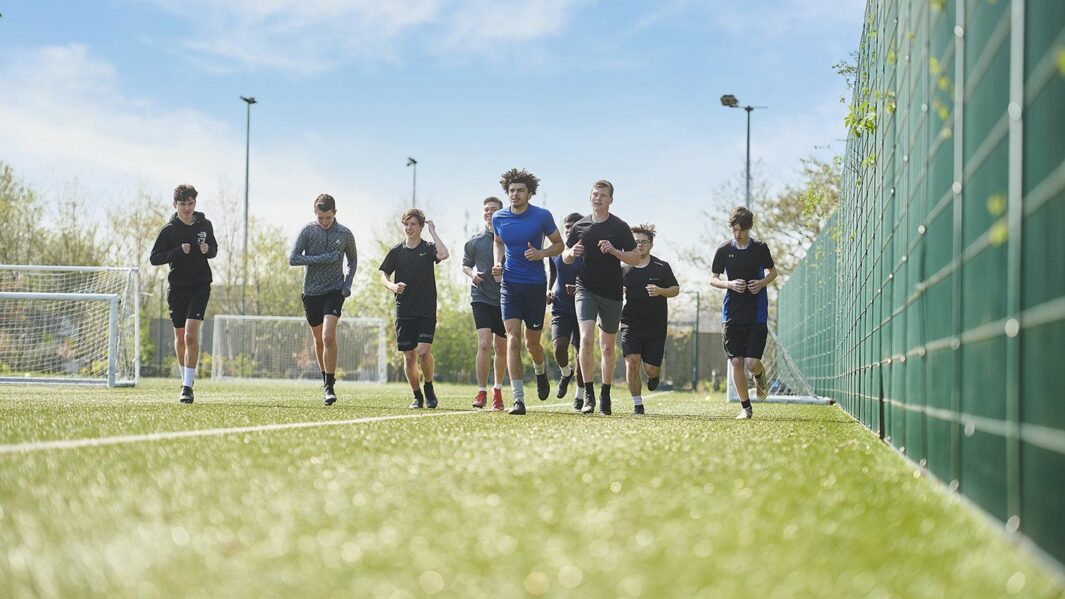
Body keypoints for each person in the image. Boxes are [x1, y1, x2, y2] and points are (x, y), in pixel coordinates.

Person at [562, 180, 640, 416]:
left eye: (603, 195)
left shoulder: (619, 227)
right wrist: (571, 253)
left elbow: (635, 258)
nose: (598, 198)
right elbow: (565, 256)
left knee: (607, 348)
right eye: (595, 195)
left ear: (611, 200)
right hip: (585, 288)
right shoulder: (580, 225)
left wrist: (615, 251)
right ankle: (589, 394)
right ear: (590, 197)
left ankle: (605, 395)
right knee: (585, 339)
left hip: (612, 292)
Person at [491, 168, 564, 415]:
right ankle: (518, 399)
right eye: (511, 191)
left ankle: (541, 371)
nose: (515, 195)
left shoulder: (542, 216)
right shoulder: (499, 218)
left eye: (520, 191)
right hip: (510, 285)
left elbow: (559, 244)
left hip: (534, 285)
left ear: (530, 193)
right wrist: (498, 263)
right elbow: (498, 242)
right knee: (512, 338)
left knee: (532, 343)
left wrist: (541, 254)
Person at [149, 184, 218, 404]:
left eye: (190, 203)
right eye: (182, 204)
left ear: (195, 204)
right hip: (177, 289)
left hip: (200, 285)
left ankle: (187, 387)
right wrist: (177, 252)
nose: (187, 208)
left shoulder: (205, 224)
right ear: (175, 205)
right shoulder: (169, 230)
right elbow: (155, 258)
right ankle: (185, 380)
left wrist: (209, 250)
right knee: (179, 338)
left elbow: (214, 249)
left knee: (190, 334)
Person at [288, 193, 358, 406]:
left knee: (328, 336)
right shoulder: (308, 231)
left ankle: (329, 385)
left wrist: (347, 284)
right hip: (311, 292)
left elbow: (352, 260)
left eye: (328, 217)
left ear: (335, 213)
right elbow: (293, 259)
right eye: (321, 218)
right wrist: (323, 259)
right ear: (315, 214)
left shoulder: (345, 233)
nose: (325, 222)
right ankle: (324, 378)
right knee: (319, 341)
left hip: (335, 290)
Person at [709, 206, 777, 419]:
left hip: (756, 312)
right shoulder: (723, 250)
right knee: (736, 362)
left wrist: (761, 283)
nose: (737, 234)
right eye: (734, 230)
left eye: (741, 230)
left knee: (751, 363)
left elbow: (772, 272)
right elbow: (713, 278)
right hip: (732, 314)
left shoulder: (759, 248)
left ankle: (759, 374)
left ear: (748, 228)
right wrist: (729, 284)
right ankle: (746, 408)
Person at [379, 209, 450, 409]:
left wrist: (433, 231)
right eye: (406, 224)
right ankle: (417, 396)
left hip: (426, 309)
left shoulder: (428, 248)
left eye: (413, 224)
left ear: (420, 227)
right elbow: (382, 275)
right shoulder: (396, 251)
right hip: (404, 311)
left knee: (424, 352)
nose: (409, 228)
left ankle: (428, 386)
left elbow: (444, 254)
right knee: (409, 357)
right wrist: (392, 286)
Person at [620, 224, 680, 415]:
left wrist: (660, 290)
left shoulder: (661, 267)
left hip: (655, 325)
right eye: (636, 242)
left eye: (644, 242)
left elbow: (675, 289)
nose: (640, 245)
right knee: (632, 361)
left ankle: (654, 376)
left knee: (651, 369)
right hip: (630, 322)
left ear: (651, 245)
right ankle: (637, 404)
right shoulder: (624, 269)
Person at [462, 196, 508, 411]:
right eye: (487, 209)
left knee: (501, 346)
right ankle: (481, 391)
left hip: (505, 298)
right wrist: (473, 274)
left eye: (494, 209)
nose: (489, 212)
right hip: (480, 297)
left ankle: (497, 391)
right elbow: (465, 266)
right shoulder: (473, 241)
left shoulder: (509, 238)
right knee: (483, 344)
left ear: (501, 212)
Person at [548, 212, 587, 411]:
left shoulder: (588, 251)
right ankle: (565, 373)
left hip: (584, 309)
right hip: (561, 307)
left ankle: (580, 396)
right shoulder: (557, 250)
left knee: (581, 355)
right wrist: (549, 289)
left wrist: (580, 289)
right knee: (558, 348)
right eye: (567, 226)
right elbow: (554, 271)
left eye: (574, 226)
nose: (569, 229)